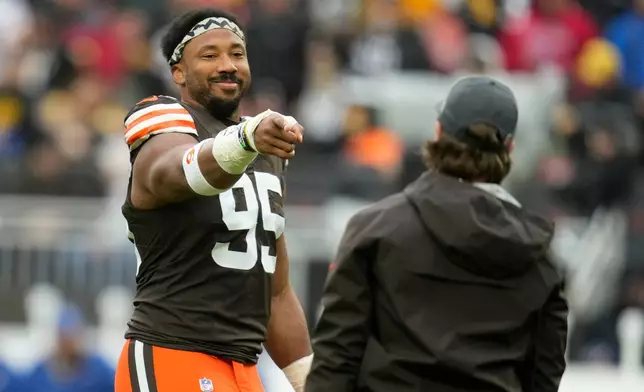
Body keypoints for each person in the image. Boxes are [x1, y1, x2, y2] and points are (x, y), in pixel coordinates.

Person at [306, 76, 568, 392]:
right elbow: (544, 377)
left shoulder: (375, 228)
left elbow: (336, 358)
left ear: (438, 132)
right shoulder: (540, 255)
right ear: (509, 148)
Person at [113, 8, 312, 392]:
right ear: (179, 72)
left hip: (243, 366)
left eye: (237, 54)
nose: (227, 65)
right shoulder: (162, 115)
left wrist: (308, 377)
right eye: (209, 55)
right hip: (173, 352)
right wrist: (245, 140)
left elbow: (276, 289)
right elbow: (177, 171)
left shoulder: (263, 148)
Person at [25, 304, 115, 392]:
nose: (68, 343)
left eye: (72, 335)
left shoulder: (99, 372)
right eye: (64, 336)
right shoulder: (40, 374)